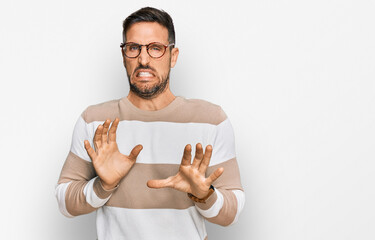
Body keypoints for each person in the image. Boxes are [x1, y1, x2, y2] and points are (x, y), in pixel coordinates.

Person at [56, 7, 245, 240]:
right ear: (124, 56)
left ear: (172, 56)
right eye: (133, 48)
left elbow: (232, 213)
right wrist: (103, 185)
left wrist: (205, 195)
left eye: (156, 48)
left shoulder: (211, 120)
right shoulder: (95, 120)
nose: (143, 59)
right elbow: (64, 202)